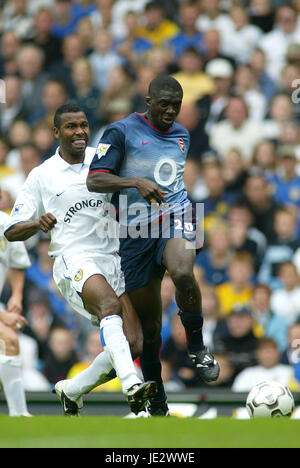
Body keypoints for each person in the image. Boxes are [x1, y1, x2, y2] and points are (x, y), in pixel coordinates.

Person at [4, 103, 157, 416]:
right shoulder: (42, 176)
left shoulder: (102, 161)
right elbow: (11, 231)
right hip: (73, 259)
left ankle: (72, 389)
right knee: (109, 307)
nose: (79, 132)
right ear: (56, 132)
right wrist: (36, 224)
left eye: (84, 125)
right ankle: (131, 385)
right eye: (71, 127)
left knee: (135, 342)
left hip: (113, 259)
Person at [87, 74, 220, 417]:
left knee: (182, 270)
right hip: (133, 234)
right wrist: (134, 181)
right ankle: (157, 401)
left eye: (176, 105)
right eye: (164, 104)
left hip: (175, 216)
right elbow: (94, 179)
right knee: (147, 332)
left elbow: (173, 183)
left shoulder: (182, 135)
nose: (171, 111)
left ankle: (197, 346)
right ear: (147, 102)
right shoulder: (121, 132)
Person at [0, 193, 31, 417]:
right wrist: (2, 318)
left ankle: (18, 415)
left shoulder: (5, 223)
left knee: (10, 343)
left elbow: (17, 263)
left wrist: (16, 296)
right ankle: (19, 414)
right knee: (8, 339)